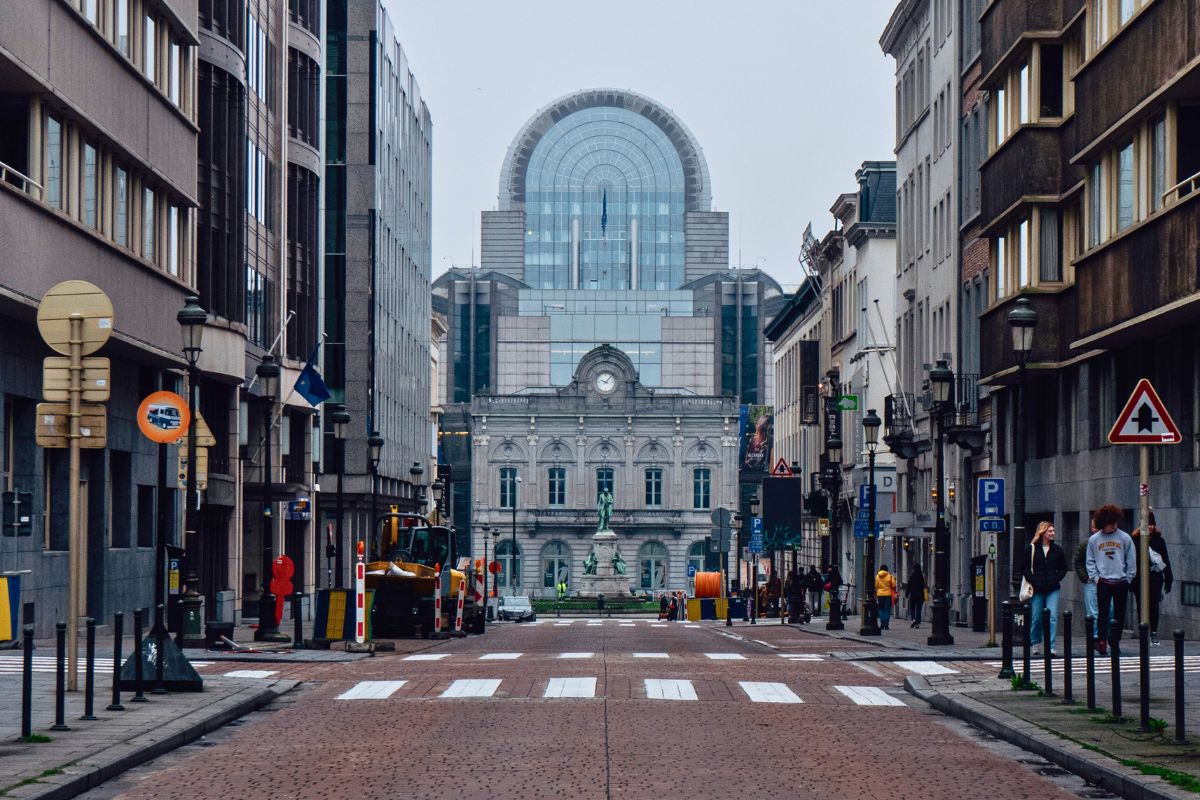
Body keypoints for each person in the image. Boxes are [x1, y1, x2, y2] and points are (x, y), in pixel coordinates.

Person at [1086, 504, 1136, 656]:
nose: (1114, 526)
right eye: (1110, 524)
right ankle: (1102, 642)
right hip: (1103, 582)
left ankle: (1115, 642)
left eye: (1115, 523)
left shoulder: (1124, 537)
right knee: (1103, 614)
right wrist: (1096, 578)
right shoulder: (1094, 540)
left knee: (1119, 614)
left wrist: (1128, 578)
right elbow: (1090, 560)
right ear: (1103, 524)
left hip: (1121, 581)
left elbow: (1132, 560)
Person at [1023, 521, 1069, 657]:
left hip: (1052, 588)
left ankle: (1051, 646)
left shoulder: (1057, 550)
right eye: (1050, 531)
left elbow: (1063, 568)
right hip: (1037, 588)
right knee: (1036, 617)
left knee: (1052, 616)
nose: (1053, 533)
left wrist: (1055, 579)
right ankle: (1035, 642)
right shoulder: (1031, 549)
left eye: (1053, 531)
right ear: (1042, 532)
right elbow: (1024, 568)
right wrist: (1033, 580)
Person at [1131, 512, 1174, 645]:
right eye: (1147, 524)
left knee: (1154, 605)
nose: (1150, 527)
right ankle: (1143, 631)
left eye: (1152, 524)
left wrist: (1169, 578)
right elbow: (1130, 561)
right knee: (1141, 605)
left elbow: (1165, 559)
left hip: (1155, 578)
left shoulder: (1159, 540)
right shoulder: (1135, 540)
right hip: (1138, 578)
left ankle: (1153, 632)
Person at [1073, 522, 1099, 642]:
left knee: (1110, 609)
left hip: (1106, 580)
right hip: (1091, 582)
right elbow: (1078, 562)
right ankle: (1094, 637)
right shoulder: (1085, 544)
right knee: (1093, 611)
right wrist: (1086, 578)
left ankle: (1103, 636)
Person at [874, 564, 898, 630]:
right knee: (887, 610)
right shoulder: (890, 576)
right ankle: (886, 625)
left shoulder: (877, 576)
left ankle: (882, 623)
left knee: (881, 609)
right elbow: (893, 585)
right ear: (887, 569)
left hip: (880, 595)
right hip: (888, 595)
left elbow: (876, 586)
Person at [906, 564, 926, 628]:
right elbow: (923, 586)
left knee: (912, 608)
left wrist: (907, 594)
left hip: (913, 595)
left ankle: (913, 619)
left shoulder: (911, 576)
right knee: (919, 609)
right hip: (920, 595)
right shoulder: (921, 576)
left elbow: (908, 586)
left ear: (913, 569)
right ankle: (917, 623)